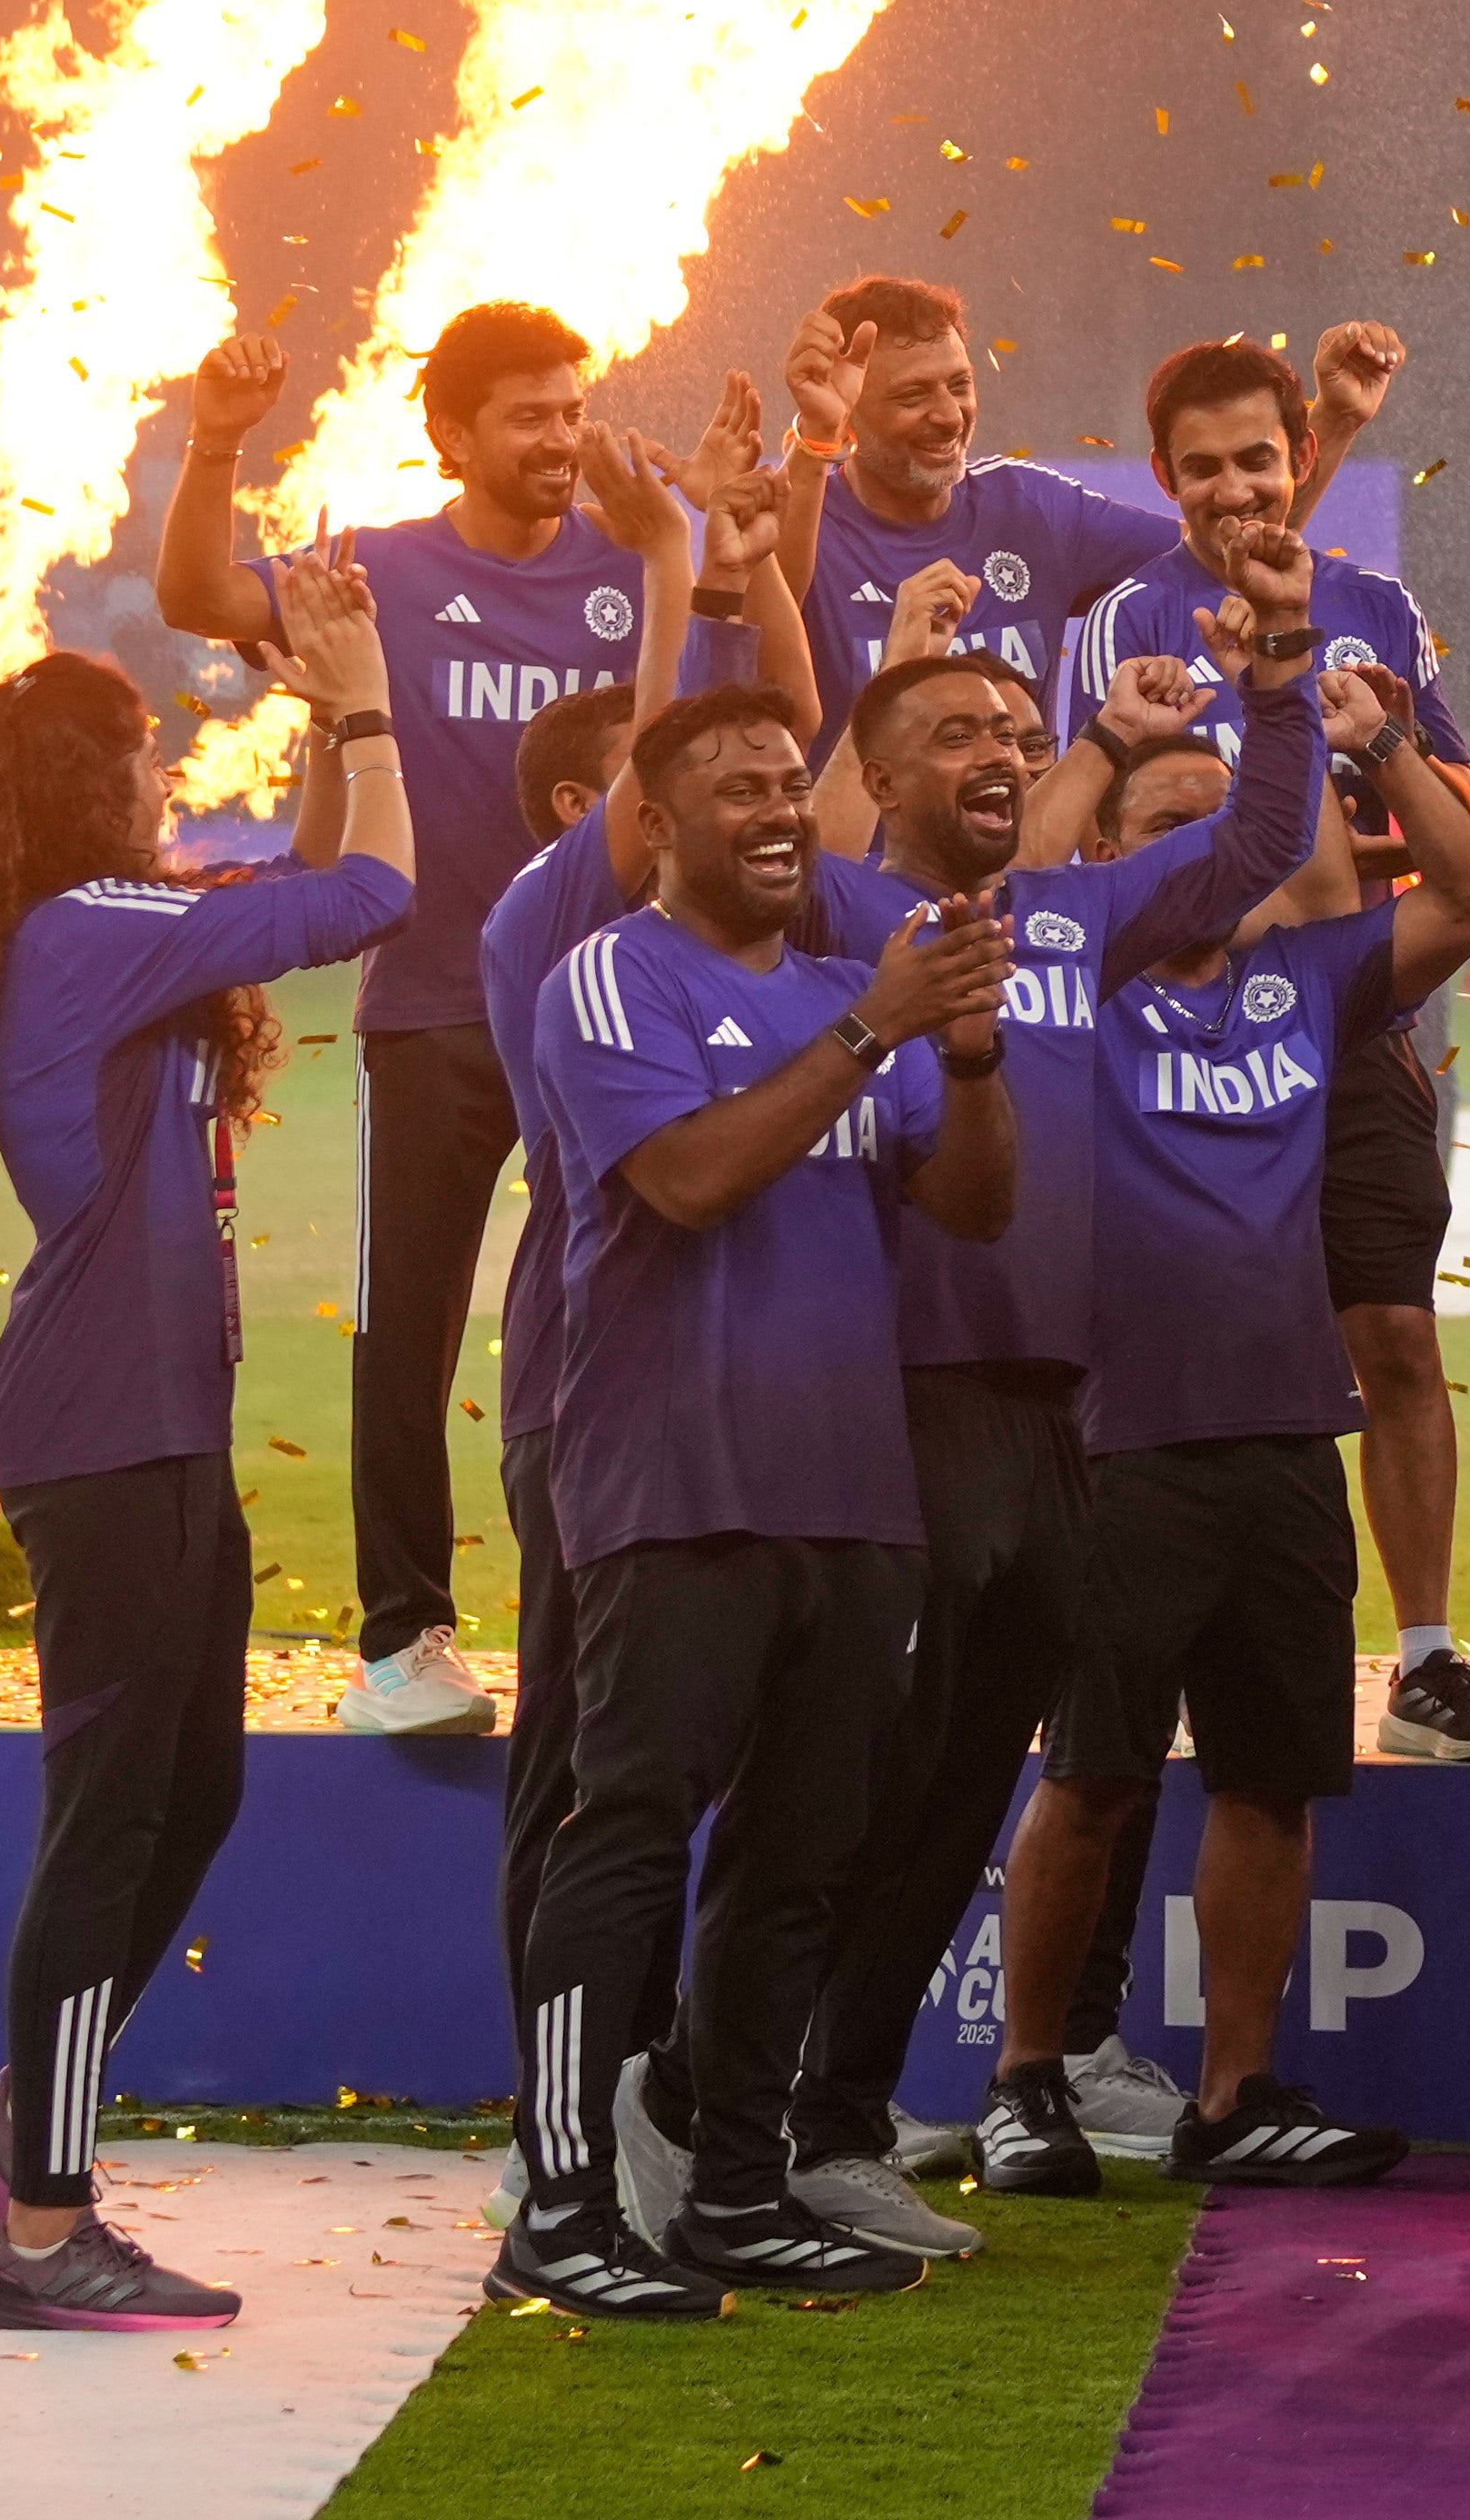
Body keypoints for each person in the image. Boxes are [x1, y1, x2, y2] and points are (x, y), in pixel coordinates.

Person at [0, 558, 417, 2329]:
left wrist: (321, 722)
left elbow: (300, 881)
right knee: (107, 1816)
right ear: (86, 779)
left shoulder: (103, 924)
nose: (162, 773)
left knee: (193, 1793)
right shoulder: (86, 932)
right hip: (108, 1417)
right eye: (139, 752)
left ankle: (13, 2117)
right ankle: (41, 2231)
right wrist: (364, 700)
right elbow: (372, 894)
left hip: (153, 1413)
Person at [796, 548, 1327, 2223]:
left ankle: (835, 2116)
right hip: (896, 1393)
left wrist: (1280, 672)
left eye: (1018, 733)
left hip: (1059, 1409)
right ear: (882, 776)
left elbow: (1258, 842)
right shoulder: (843, 913)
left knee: (962, 1787)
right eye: (961, 731)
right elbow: (804, 841)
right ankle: (734, 2101)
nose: (1003, 752)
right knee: (861, 1778)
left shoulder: (1076, 923)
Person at [497, 686, 1017, 2321]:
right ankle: (559, 2197)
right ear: (655, 824)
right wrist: (873, 1030)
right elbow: (687, 1180)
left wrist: (970, 1050)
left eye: (793, 782)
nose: (781, 811)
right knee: (630, 1832)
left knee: (800, 1852)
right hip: (675, 1477)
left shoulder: (842, 990)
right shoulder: (614, 976)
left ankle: (734, 2187)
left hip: (850, 1488)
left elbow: (974, 1204)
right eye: (738, 789)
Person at [985, 660, 1470, 2191]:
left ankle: (1236, 2093)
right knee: (1095, 1772)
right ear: (1111, 858)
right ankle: (1026, 2080)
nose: (1212, 851)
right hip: (1124, 1437)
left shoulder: (1309, 978)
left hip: (1285, 1431)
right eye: (1172, 827)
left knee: (1272, 1778)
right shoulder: (1074, 989)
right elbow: (1020, 886)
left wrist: (1381, 742)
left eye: (1231, 824)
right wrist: (1103, 746)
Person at [1016, 324, 1470, 1771]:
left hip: (1333, 1011)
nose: (1232, 490)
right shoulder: (1125, 620)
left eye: (1257, 461)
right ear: (1161, 477)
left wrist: (1360, 767)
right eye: (1202, 469)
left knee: (1394, 1332)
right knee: (1151, 1344)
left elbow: (1453, 799)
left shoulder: (1374, 607)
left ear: (1298, 460)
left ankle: (1425, 1658)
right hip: (1160, 1029)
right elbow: (1079, 833)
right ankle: (1121, 1642)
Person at [154, 303, 626, 1741]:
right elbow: (197, 595)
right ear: (453, 435)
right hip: (432, 1003)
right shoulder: (377, 572)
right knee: (406, 1328)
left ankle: (618, 1616)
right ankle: (402, 1641)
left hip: (613, 1013)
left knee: (628, 1320)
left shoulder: (635, 565)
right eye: (530, 416)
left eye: (571, 411)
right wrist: (216, 443)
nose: (559, 439)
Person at [770, 273, 1186, 716]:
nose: (951, 416)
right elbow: (753, 634)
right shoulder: (808, 526)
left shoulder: (1032, 507)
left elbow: (1210, 559)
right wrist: (818, 429)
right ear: (848, 411)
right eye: (912, 395)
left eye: (960, 385)